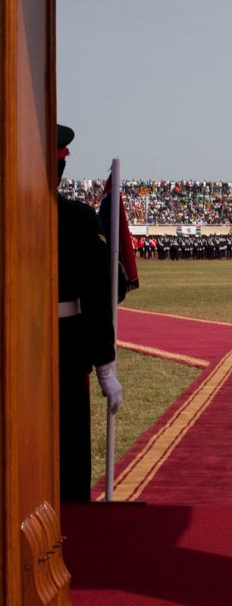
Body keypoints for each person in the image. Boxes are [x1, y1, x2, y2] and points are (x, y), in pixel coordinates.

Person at [57, 124, 122, 501]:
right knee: (69, 452)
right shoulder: (77, 218)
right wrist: (105, 366)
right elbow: (102, 293)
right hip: (65, 347)